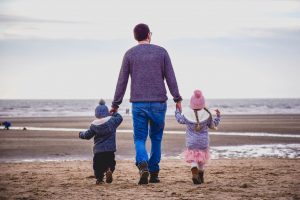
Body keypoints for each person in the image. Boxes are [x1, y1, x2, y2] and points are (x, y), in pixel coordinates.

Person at [111, 23, 182, 184]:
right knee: (156, 138)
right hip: (159, 103)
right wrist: (177, 98)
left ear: (135, 36)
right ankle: (154, 172)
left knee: (140, 139)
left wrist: (115, 104)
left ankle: (143, 165)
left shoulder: (129, 54)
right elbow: (171, 77)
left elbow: (121, 81)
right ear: (149, 35)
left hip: (138, 104)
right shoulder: (162, 52)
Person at [175, 90, 221, 184]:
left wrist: (177, 110)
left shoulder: (187, 114)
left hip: (191, 142)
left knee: (193, 159)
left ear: (192, 103)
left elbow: (179, 119)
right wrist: (218, 116)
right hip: (203, 142)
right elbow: (213, 125)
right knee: (202, 160)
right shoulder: (207, 114)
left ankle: (194, 173)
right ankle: (200, 177)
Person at [79, 99, 123, 184]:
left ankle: (99, 179)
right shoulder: (112, 121)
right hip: (110, 149)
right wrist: (114, 112)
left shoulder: (94, 125)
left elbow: (88, 135)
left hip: (99, 150)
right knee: (111, 162)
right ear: (107, 112)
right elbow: (120, 118)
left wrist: (81, 134)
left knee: (98, 166)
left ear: (96, 114)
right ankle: (109, 170)